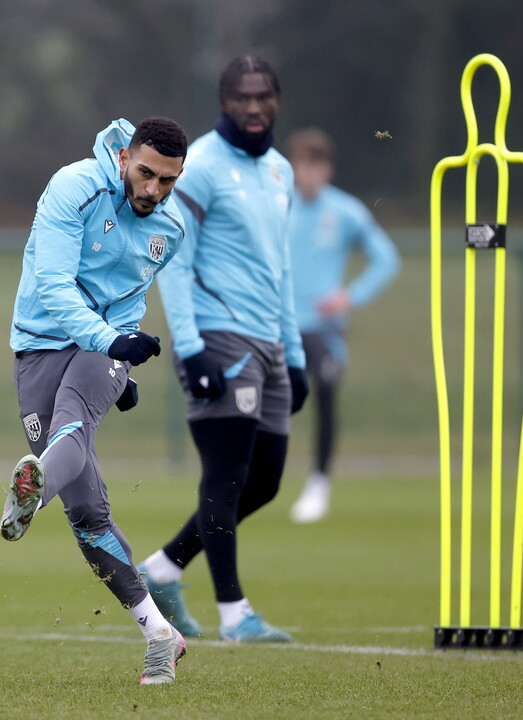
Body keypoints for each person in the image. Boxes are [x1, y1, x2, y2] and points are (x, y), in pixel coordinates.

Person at [0, 117, 189, 685]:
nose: (153, 190)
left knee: (73, 426)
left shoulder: (170, 231)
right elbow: (54, 286)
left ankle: (30, 489)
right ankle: (160, 632)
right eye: (146, 173)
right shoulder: (74, 187)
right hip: (39, 345)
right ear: (126, 156)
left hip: (99, 352)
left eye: (168, 181)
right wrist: (111, 341)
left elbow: (128, 301)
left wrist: (118, 361)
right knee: (86, 512)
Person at [137, 56, 308, 643]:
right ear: (223, 100)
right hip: (218, 338)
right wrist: (190, 349)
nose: (254, 107)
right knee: (227, 473)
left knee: (265, 481)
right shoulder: (202, 166)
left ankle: (160, 570)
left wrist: (297, 354)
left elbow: (281, 267)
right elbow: (174, 262)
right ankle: (235, 614)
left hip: (270, 343)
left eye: (264, 97)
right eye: (242, 97)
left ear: (278, 100)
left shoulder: (282, 171)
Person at [286, 128, 400, 524]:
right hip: (279, 324)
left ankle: (318, 485)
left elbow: (386, 257)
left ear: (328, 170)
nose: (308, 174)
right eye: (302, 164)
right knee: (267, 402)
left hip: (324, 328)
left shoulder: (345, 211)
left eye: (316, 166)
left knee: (326, 399)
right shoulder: (278, 207)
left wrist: (350, 296)